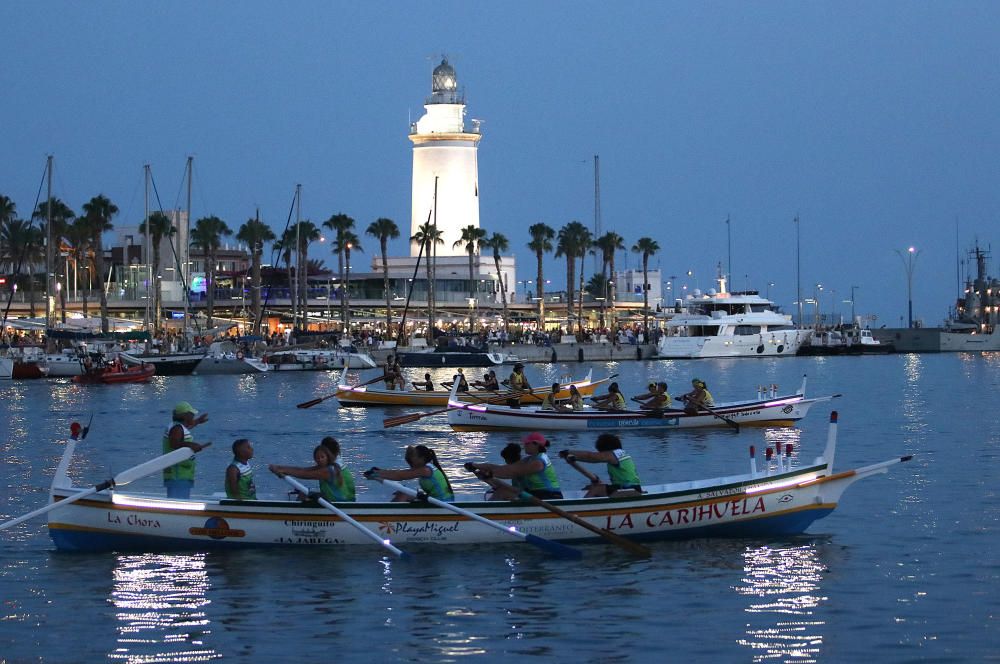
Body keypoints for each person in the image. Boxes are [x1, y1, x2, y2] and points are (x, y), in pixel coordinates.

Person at [465, 432, 562, 499]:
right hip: (536, 494)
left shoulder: (538, 462)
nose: (524, 446)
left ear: (536, 444)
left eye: (526, 443)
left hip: (550, 496)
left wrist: (490, 474)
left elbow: (510, 472)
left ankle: (485, 517)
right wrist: (475, 466)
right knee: (503, 490)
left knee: (503, 492)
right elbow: (503, 468)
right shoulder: (529, 459)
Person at [269, 438, 356, 502]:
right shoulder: (336, 463)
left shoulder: (328, 470)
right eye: (318, 457)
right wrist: (280, 468)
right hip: (345, 500)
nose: (319, 460)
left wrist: (280, 469)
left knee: (303, 496)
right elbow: (303, 470)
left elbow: (304, 474)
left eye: (322, 456)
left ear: (327, 454)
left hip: (339, 505)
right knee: (305, 493)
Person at [558, 433, 642, 497]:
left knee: (597, 489)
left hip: (628, 489)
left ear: (605, 448)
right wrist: (574, 458)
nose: (599, 453)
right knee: (590, 487)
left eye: (600, 451)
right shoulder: (620, 453)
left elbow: (591, 456)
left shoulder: (612, 454)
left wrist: (568, 452)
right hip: (628, 488)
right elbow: (591, 459)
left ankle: (581, 511)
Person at [364, 444, 455, 503]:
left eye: (413, 457)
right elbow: (399, 473)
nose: (411, 460)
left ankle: (387, 519)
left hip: (443, 502)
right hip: (434, 500)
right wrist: (379, 472)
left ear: (422, 458)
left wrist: (378, 474)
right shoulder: (424, 467)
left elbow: (399, 476)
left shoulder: (425, 470)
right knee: (401, 492)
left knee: (404, 494)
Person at [162, 401, 212, 499]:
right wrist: (191, 445)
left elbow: (185, 429)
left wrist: (197, 421)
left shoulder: (176, 426)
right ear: (185, 416)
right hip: (178, 474)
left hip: (179, 473)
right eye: (191, 414)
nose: (193, 416)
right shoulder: (176, 428)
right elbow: (174, 443)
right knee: (178, 502)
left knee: (180, 500)